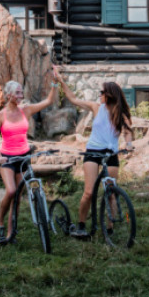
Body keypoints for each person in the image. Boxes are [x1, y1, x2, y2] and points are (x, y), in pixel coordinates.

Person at [54, 70, 135, 238]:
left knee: (111, 193)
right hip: (92, 153)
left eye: (102, 92)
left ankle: (110, 228)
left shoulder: (122, 114)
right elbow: (73, 99)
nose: (99, 95)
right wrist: (61, 81)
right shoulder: (96, 107)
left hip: (111, 154)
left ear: (109, 95)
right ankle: (81, 224)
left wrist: (128, 144)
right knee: (89, 192)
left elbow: (128, 132)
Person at [0, 78, 58, 240]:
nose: (21, 95)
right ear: (9, 95)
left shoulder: (25, 111)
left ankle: (11, 231)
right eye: (18, 93)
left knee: (18, 197)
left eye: (21, 92)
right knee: (11, 191)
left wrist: (55, 83)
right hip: (7, 159)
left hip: (24, 157)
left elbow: (48, 101)